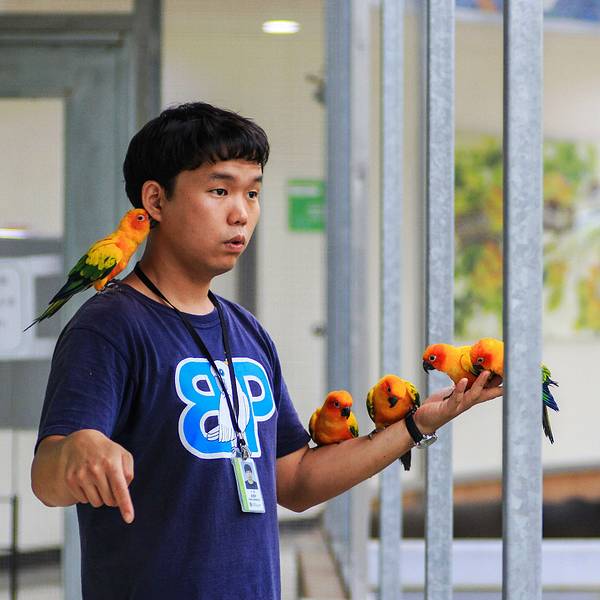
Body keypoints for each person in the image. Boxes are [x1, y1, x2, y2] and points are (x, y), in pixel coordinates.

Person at [30, 102, 503, 600]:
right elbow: (46, 476)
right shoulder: (109, 325)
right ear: (155, 200)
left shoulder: (246, 331)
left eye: (252, 193)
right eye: (220, 190)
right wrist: (77, 448)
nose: (241, 213)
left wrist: (416, 425)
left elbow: (293, 479)